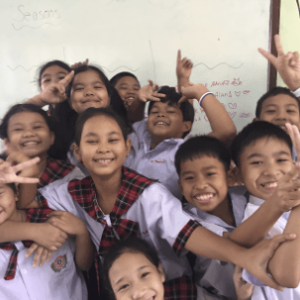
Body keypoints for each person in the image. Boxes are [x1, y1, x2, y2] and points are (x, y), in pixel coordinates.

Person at [35, 107, 294, 292]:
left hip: (171, 288)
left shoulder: (149, 194)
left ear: (127, 147)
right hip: (120, 291)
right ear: (78, 152)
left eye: (112, 140)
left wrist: (242, 257)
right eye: (93, 141)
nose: (103, 148)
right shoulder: (70, 192)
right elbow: (33, 204)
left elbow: (187, 231)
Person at [124, 82, 236, 198]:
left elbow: (226, 132)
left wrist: (201, 92)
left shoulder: (186, 152)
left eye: (170, 111)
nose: (161, 115)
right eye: (155, 111)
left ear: (185, 126)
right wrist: (138, 100)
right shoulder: (138, 135)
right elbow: (132, 119)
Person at [228, 121, 300, 299]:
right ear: (238, 174)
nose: (271, 171)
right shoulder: (254, 220)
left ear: (294, 164)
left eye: (281, 160)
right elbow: (287, 277)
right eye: (257, 162)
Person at [0, 165, 91, 300]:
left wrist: (82, 233)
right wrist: (34, 231)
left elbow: (85, 265)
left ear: (16, 193)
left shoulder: (51, 218)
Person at [175, 135, 246, 298]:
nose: (200, 185)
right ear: (180, 186)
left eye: (210, 174)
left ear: (229, 177)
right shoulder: (184, 220)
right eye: (190, 178)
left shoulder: (247, 198)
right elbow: (231, 243)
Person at [102, 238, 226, 300]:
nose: (138, 292)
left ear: (160, 272)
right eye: (123, 286)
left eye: (144, 275)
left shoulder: (185, 293)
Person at [0, 104, 75, 188]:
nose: (29, 134)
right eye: (18, 129)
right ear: (7, 143)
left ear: (51, 137)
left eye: (37, 127)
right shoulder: (2, 173)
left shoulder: (70, 172)